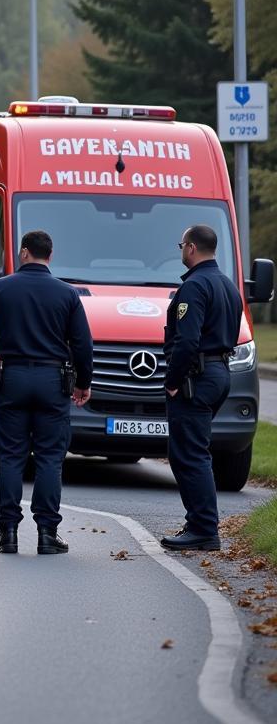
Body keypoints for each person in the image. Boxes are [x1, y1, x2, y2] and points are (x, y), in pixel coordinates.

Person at [0, 230, 93, 555]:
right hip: (52, 382)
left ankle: (9, 533)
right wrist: (83, 382)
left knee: (12, 457)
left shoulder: (1, 288)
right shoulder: (68, 294)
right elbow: (83, 344)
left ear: (24, 252)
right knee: (49, 458)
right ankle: (47, 533)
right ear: (51, 255)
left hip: (12, 380)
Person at [159, 224, 243, 551]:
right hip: (219, 371)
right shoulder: (227, 285)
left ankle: (203, 529)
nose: (181, 249)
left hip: (197, 377)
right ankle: (199, 523)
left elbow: (187, 341)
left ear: (191, 248)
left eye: (182, 244)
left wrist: (172, 382)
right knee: (192, 450)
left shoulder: (195, 286)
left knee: (189, 454)